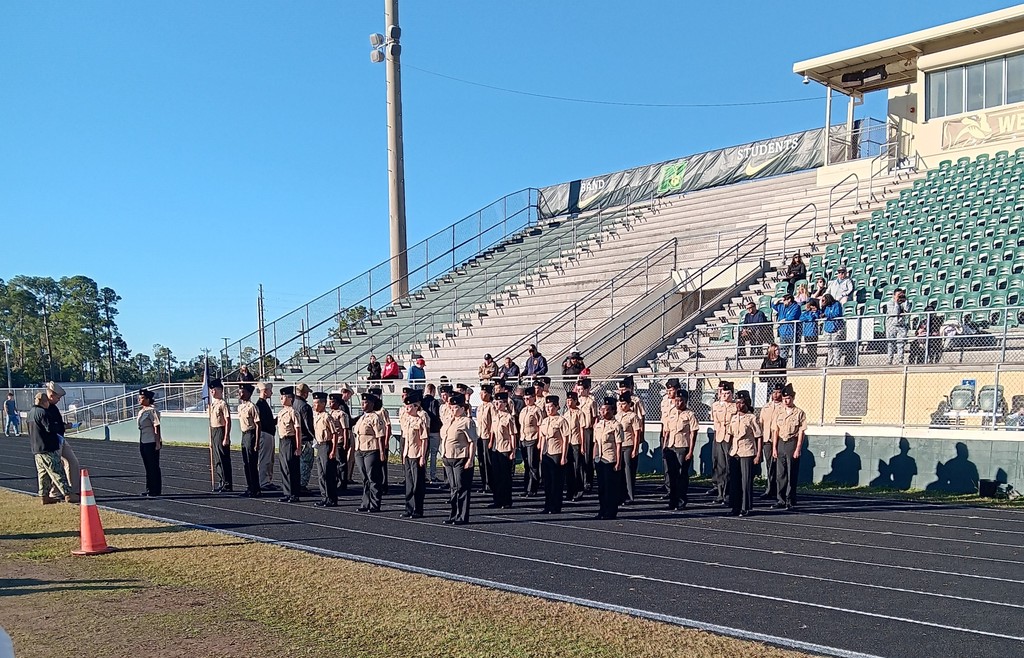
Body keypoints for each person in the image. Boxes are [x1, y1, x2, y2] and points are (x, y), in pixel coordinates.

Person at [28, 392, 78, 504]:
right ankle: (68, 494)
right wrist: (62, 426)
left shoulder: (31, 413)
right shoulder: (43, 413)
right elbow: (50, 428)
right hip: (48, 447)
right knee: (57, 472)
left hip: (37, 448)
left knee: (43, 474)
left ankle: (44, 496)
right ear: (45, 402)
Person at [441, 392, 475, 524]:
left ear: (462, 408)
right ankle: (453, 515)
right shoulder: (449, 421)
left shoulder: (467, 422)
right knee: (453, 488)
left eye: (456, 407)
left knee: (462, 488)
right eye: (452, 407)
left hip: (460, 457)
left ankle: (462, 516)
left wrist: (470, 460)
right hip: (448, 457)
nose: (453, 410)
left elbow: (472, 442)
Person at [727, 390, 761, 517]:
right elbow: (730, 435)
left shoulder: (752, 418)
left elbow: (759, 436)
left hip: (747, 451)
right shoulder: (734, 417)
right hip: (735, 451)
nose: (739, 405)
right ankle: (735, 506)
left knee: (745, 481)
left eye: (741, 403)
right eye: (737, 403)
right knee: (734, 481)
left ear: (746, 403)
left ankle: (745, 507)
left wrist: (758, 455)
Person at [772, 384, 806, 510]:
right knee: (780, 474)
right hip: (781, 442)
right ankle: (780, 499)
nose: (786, 401)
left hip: (792, 443)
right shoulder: (779, 412)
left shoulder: (799, 413)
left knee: (792, 473)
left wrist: (798, 449)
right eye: (784, 399)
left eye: (788, 398)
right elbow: (775, 431)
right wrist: (774, 448)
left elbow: (802, 432)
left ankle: (790, 499)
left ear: (793, 398)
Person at [663, 389, 698, 511]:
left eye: (681, 401)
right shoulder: (671, 412)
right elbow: (666, 431)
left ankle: (681, 501)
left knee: (681, 475)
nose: (678, 403)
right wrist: (664, 446)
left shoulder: (690, 415)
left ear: (686, 401)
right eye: (676, 400)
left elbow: (693, 434)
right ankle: (672, 500)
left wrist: (690, 451)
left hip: (682, 447)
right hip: (671, 446)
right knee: (672, 475)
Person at [44, 382, 81, 497]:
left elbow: (58, 423)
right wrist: (64, 426)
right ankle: (54, 492)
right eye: (58, 397)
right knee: (56, 466)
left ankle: (74, 489)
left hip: (61, 438)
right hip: (53, 440)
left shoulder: (54, 408)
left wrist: (64, 425)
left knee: (73, 462)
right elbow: (49, 426)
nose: (59, 400)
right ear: (51, 395)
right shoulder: (45, 408)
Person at [354, 392, 387, 513]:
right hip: (360, 449)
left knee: (373, 477)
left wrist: (382, 452)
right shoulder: (362, 417)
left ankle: (375, 504)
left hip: (371, 449)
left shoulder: (375, 417)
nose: (363, 405)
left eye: (366, 402)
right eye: (362, 402)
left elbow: (380, 436)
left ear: (372, 404)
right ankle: (365, 502)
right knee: (365, 478)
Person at [399, 389, 428, 518]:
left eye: (410, 406)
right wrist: (403, 454)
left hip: (417, 454)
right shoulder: (407, 420)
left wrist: (422, 456)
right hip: (408, 454)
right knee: (409, 483)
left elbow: (424, 440)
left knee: (418, 483)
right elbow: (405, 439)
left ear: (416, 407)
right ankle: (409, 507)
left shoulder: (420, 420)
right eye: (406, 406)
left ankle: (418, 508)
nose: (407, 409)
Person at [537, 394, 569, 513]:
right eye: (547, 407)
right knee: (547, 482)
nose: (548, 409)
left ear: (556, 407)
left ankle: (556, 506)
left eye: (551, 407)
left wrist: (564, 456)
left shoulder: (561, 420)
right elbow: (542, 438)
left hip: (556, 453)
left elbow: (565, 439)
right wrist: (541, 454)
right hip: (546, 453)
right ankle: (548, 505)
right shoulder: (545, 421)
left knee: (556, 482)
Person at [593, 397, 623, 520]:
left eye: (607, 410)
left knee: (610, 487)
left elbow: (619, 444)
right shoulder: (598, 425)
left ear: (612, 411)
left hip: (610, 458)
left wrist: (618, 462)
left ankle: (611, 511)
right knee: (601, 487)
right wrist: (594, 458)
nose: (604, 412)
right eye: (602, 409)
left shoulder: (616, 425)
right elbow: (596, 442)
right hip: (600, 459)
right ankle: (602, 509)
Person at [311, 392, 341, 508]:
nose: (314, 405)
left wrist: (333, 450)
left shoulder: (327, 417)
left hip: (327, 445)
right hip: (319, 445)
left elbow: (334, 434)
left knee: (329, 473)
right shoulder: (317, 416)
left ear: (323, 404)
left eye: (317, 403)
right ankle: (324, 496)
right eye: (313, 403)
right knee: (321, 474)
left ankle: (332, 498)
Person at [488, 391, 517, 509]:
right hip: (496, 448)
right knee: (496, 476)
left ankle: (507, 500)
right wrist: (490, 443)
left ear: (505, 404)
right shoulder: (495, 416)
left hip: (505, 448)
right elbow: (492, 431)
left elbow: (513, 434)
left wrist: (513, 451)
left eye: (500, 403)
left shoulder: (509, 417)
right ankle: (497, 499)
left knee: (505, 476)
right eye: (496, 402)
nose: (497, 405)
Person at [710, 381, 736, 505]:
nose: (725, 395)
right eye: (723, 393)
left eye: (727, 393)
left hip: (730, 438)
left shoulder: (735, 406)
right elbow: (715, 422)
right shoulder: (715, 406)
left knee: (729, 467)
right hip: (719, 437)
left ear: (732, 394)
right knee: (720, 466)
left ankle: (729, 492)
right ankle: (721, 493)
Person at [758, 383, 785, 500]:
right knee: (769, 466)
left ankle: (780, 490)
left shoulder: (784, 407)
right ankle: (770, 489)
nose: (775, 394)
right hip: (767, 439)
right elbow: (761, 423)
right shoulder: (766, 407)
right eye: (774, 392)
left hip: (779, 440)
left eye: (778, 392)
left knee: (779, 467)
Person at [276, 386, 301, 503]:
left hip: (290, 440)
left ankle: (294, 493)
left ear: (290, 398)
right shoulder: (281, 412)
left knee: (292, 468)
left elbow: (298, 430)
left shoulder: (293, 412)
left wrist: (298, 446)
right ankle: (287, 492)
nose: (281, 398)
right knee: (284, 467)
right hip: (282, 441)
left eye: (284, 396)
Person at [616, 393, 642, 504]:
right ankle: (620, 495)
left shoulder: (633, 416)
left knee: (628, 471)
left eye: (624, 404)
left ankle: (630, 496)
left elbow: (637, 433)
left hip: (628, 445)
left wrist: (635, 449)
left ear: (629, 404)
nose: (622, 406)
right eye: (621, 404)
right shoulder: (618, 416)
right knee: (619, 471)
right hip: (619, 445)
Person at [236, 383, 262, 497]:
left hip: (251, 435)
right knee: (246, 463)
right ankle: (249, 487)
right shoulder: (240, 407)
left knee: (252, 463)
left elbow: (258, 425)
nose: (240, 394)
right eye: (240, 392)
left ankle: (255, 488)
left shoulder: (252, 407)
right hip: (244, 434)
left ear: (248, 393)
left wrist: (256, 442)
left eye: (243, 392)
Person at [208, 378, 233, 493]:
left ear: (219, 390)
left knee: (223, 458)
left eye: (214, 390)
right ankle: (221, 481)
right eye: (211, 390)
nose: (212, 392)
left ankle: (227, 483)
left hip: (221, 431)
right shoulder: (212, 404)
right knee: (217, 459)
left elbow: (228, 421)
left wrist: (226, 436)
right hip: (214, 430)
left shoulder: (223, 404)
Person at [518, 386, 543, 497]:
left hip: (533, 438)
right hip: (524, 438)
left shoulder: (537, 410)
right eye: (525, 398)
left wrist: (539, 442)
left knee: (533, 465)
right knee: (527, 465)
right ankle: (526, 487)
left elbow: (540, 426)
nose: (527, 400)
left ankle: (533, 488)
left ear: (534, 398)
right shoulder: (523, 410)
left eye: (529, 398)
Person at [137, 389, 162, 497]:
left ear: (148, 399)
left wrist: (157, 442)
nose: (139, 400)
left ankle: (155, 490)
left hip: (151, 441)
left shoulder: (152, 411)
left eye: (142, 398)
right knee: (147, 466)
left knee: (153, 466)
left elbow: (156, 426)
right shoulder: (142, 411)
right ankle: (149, 488)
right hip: (143, 440)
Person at [254, 382, 278, 493]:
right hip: (265, 434)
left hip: (269, 434)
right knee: (265, 459)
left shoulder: (263, 404)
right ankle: (263, 481)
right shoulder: (260, 405)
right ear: (265, 391)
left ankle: (267, 480)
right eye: (269, 390)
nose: (271, 392)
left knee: (270, 459)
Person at [576, 378, 599, 494]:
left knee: (588, 456)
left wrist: (594, 433)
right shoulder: (577, 401)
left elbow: (595, 418)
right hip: (577, 430)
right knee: (579, 457)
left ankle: (588, 481)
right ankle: (580, 480)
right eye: (578, 389)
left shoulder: (591, 402)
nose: (579, 391)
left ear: (586, 390)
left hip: (587, 430)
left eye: (581, 389)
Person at [562, 391, 585, 502]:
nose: (569, 402)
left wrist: (582, 446)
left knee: (577, 467)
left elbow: (582, 430)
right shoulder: (565, 414)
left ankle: (579, 491)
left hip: (576, 442)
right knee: (569, 469)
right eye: (567, 400)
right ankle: (570, 491)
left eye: (571, 400)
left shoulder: (579, 413)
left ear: (576, 401)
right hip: (568, 443)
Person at [292, 383, 315, 493]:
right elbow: (308, 424)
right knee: (306, 463)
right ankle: (302, 485)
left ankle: (296, 484)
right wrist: (315, 436)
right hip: (305, 438)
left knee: (296, 463)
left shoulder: (293, 404)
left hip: (295, 437)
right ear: (305, 394)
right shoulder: (305, 407)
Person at [658, 379, 678, 495]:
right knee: (665, 460)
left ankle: (673, 488)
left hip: (674, 433)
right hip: (664, 431)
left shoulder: (680, 401)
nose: (668, 392)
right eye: (667, 390)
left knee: (673, 462)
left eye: (671, 390)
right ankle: (667, 484)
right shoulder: (664, 401)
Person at [328, 392, 350, 491]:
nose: (330, 404)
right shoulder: (331, 413)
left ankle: (343, 482)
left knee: (341, 463)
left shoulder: (342, 414)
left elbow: (345, 429)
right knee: (334, 463)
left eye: (332, 402)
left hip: (340, 441)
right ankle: (336, 480)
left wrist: (345, 442)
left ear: (337, 403)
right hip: (332, 441)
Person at [475, 384, 496, 493]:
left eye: (483, 393)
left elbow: (493, 424)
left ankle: (490, 483)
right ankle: (484, 483)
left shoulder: (491, 406)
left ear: (488, 394)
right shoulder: (480, 407)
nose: (481, 395)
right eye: (481, 393)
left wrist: (491, 440)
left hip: (488, 437)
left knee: (488, 461)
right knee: (482, 461)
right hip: (480, 436)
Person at [422, 383, 443, 484]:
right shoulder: (434, 402)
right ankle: (433, 475)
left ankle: (423, 474)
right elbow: (435, 416)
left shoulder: (422, 402)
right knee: (433, 454)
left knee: (424, 454)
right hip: (434, 430)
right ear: (433, 391)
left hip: (425, 431)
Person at [884, 288, 912, 365]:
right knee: (890, 343)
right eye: (898, 295)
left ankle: (900, 360)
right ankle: (890, 360)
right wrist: (896, 302)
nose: (900, 297)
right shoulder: (890, 303)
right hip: (891, 325)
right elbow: (894, 313)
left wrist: (906, 300)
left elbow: (907, 310)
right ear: (894, 296)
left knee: (901, 343)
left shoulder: (904, 302)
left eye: (901, 295)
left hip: (901, 325)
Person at [772, 294, 801, 362]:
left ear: (789, 300)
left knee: (794, 351)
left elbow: (791, 317)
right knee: (783, 352)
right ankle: (783, 367)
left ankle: (795, 366)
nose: (783, 302)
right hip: (783, 333)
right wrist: (779, 299)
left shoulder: (796, 307)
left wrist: (783, 320)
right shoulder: (782, 306)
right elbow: (773, 305)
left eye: (784, 300)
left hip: (793, 333)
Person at [821, 294, 845, 367]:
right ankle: (830, 362)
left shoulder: (837, 304)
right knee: (829, 347)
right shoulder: (826, 307)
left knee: (836, 346)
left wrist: (827, 315)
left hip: (836, 328)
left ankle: (836, 362)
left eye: (824, 300)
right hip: (828, 328)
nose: (823, 301)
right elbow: (823, 314)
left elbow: (837, 314)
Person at [798, 299, 821, 368]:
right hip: (806, 333)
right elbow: (801, 318)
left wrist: (812, 313)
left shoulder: (817, 312)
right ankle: (810, 361)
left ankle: (814, 361)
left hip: (813, 333)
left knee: (813, 348)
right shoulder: (805, 313)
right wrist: (808, 315)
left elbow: (812, 318)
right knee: (808, 348)